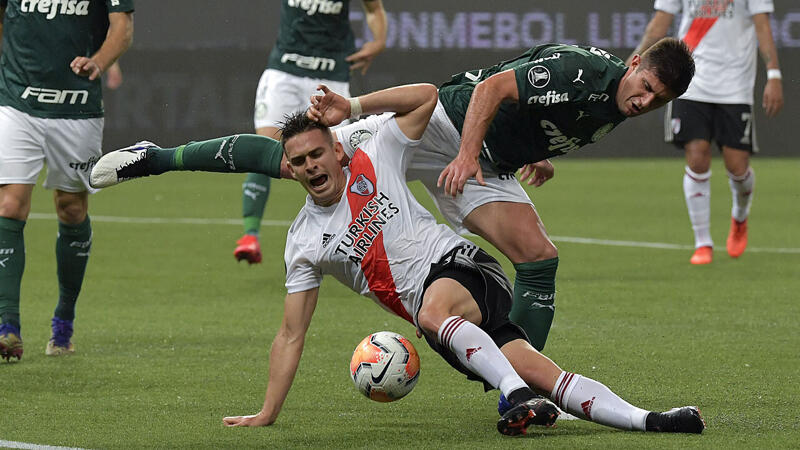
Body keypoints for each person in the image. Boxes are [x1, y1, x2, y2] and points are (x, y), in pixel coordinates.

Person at [91, 39, 695, 364]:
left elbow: (532, 110)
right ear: (634, 62)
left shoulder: (615, 102)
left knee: (539, 258)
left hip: (484, 158)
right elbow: (493, 86)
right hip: (445, 130)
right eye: (644, 86)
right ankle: (157, 157)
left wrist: (530, 151)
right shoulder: (585, 73)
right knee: (293, 158)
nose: (644, 101)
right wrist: (465, 153)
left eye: (657, 100)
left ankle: (524, 383)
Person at [210, 85, 701, 434]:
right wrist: (267, 411)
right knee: (545, 376)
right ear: (290, 171)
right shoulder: (303, 243)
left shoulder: (374, 151)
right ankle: (650, 419)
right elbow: (291, 333)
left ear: (336, 151)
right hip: (453, 332)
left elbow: (426, 95)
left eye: (316, 153)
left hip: (464, 269)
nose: (310, 166)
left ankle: (515, 395)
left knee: (432, 314)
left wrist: (355, 106)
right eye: (298, 162)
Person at [0, 0, 134, 361]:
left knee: (71, 207)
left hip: (76, 105)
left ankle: (64, 321)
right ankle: (7, 324)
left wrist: (100, 61)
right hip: (15, 100)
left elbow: (122, 27)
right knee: (10, 203)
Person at [629, 0, 783, 265]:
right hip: (692, 82)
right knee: (697, 156)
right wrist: (633, 61)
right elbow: (659, 23)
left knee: (737, 167)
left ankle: (740, 217)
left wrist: (774, 75)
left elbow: (762, 25)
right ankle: (703, 243)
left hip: (735, 83)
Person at [234, 0, 387, 265]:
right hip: (284, 71)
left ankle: (362, 241)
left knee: (345, 158)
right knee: (264, 148)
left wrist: (379, 41)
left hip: (330, 76)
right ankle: (250, 235)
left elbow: (374, 9)